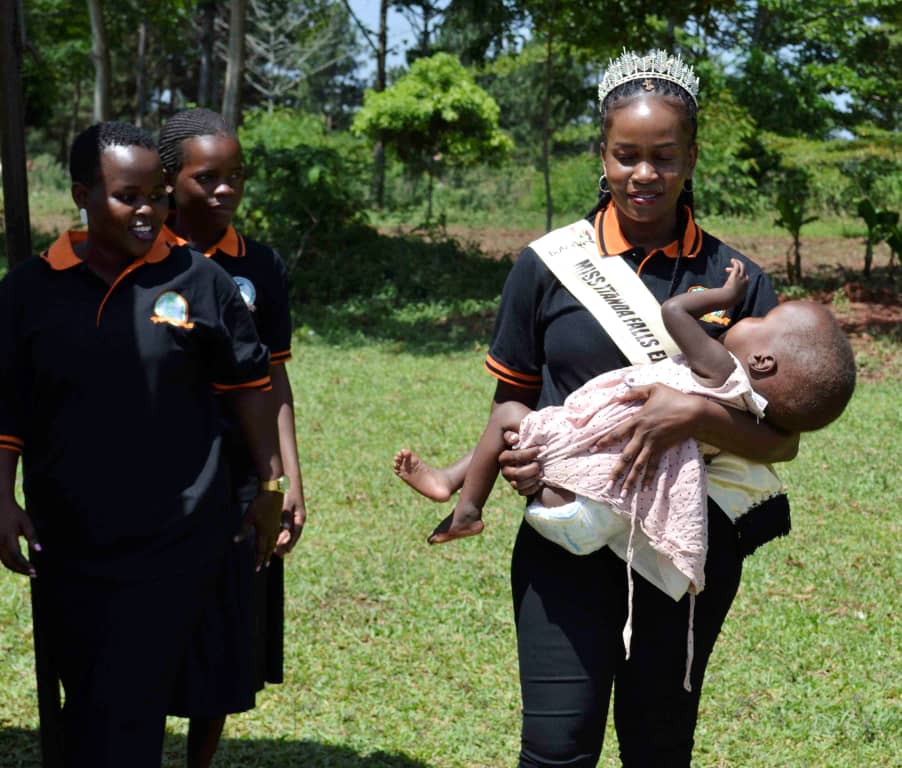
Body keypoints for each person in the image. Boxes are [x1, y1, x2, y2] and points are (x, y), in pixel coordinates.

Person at [399, 50, 813, 766]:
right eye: (626, 156)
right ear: (603, 154)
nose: (643, 175)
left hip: (682, 548)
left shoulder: (736, 282)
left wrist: (692, 416)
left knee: (658, 746)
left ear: (691, 158)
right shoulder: (548, 264)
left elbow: (781, 441)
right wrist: (521, 455)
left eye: (663, 156)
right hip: (567, 537)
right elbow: (515, 399)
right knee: (557, 747)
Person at [0, 121, 285, 767]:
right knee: (95, 696)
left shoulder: (200, 280)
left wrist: (270, 484)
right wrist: (1, 496)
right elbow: (7, 405)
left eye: (156, 195)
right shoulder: (29, 290)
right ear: (82, 194)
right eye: (129, 196)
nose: (148, 211)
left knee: (130, 702)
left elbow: (249, 385)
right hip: (71, 533)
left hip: (179, 531)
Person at [157, 107, 307, 768]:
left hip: (240, 470)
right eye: (207, 177)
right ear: (168, 181)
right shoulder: (139, 256)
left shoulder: (260, 267)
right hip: (156, 470)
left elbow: (273, 382)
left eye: (236, 177)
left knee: (227, 626)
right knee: (150, 624)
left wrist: (289, 480)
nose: (225, 190)